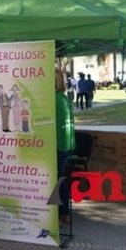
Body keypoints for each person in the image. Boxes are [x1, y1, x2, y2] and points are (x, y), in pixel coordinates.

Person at [55, 69, 76, 224]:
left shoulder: (54, 99)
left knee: (58, 179)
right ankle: (64, 213)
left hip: (58, 145)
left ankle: (63, 212)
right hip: (66, 144)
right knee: (60, 178)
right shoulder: (63, 97)